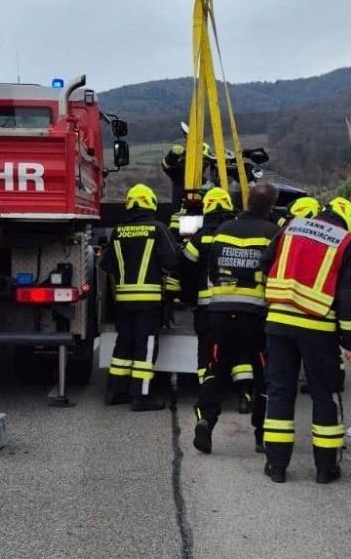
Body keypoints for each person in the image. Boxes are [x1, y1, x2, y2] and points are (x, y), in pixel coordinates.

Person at [261, 198, 351, 485]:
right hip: (318, 329)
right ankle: (325, 468)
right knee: (324, 395)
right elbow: (350, 298)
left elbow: (264, 262)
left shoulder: (292, 227)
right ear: (350, 222)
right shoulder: (346, 242)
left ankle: (277, 465)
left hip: (279, 324)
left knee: (280, 393)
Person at [192, 181, 279, 456]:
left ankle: (206, 420)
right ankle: (261, 436)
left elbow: (210, 270)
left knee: (214, 370)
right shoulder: (272, 233)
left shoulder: (222, 230)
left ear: (246, 202)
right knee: (264, 374)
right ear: (270, 207)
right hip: (256, 318)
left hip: (219, 314)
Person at [102, 183, 179, 411]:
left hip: (123, 301)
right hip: (149, 300)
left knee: (123, 345)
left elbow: (107, 265)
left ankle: (114, 391)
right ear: (150, 203)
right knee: (145, 348)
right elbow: (172, 261)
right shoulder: (157, 228)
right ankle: (141, 397)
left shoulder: (117, 231)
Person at [183, 185, 234, 380]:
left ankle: (206, 385)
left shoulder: (199, 237)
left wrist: (188, 298)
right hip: (235, 302)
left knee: (205, 344)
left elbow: (186, 267)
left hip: (206, 306)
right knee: (235, 343)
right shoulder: (238, 233)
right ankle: (241, 389)